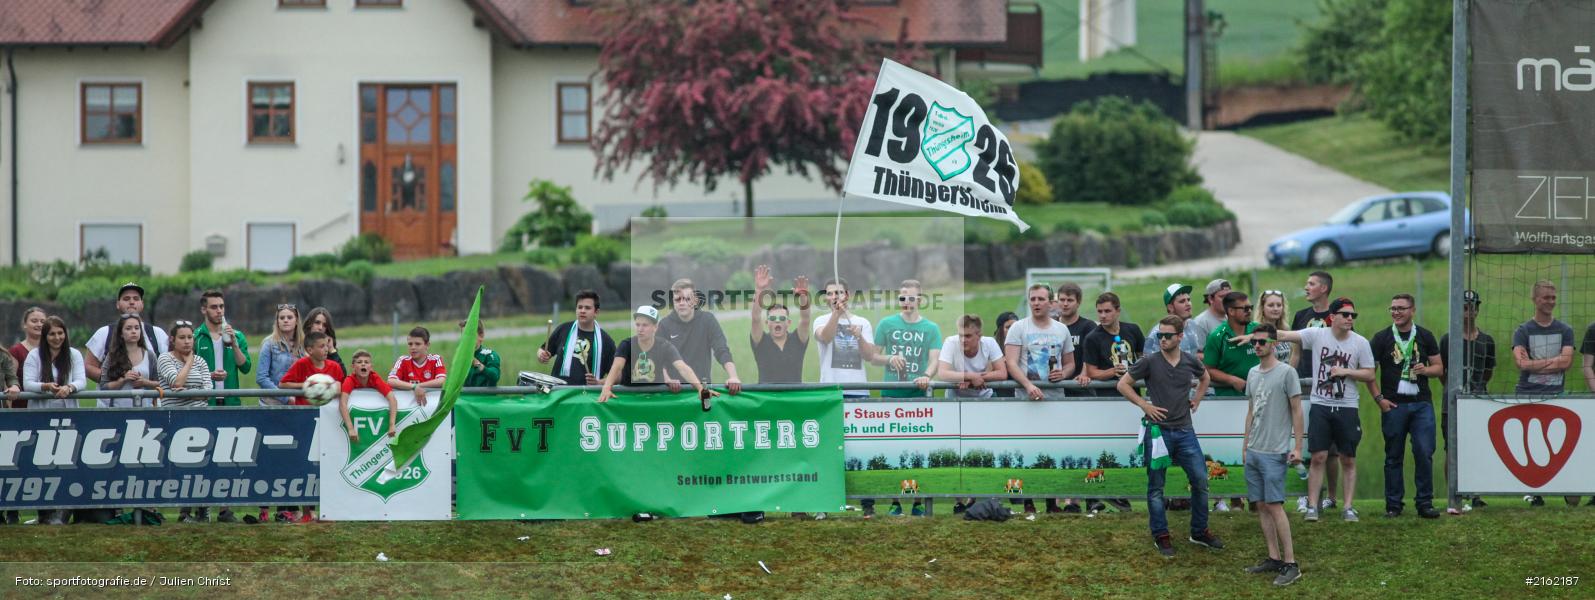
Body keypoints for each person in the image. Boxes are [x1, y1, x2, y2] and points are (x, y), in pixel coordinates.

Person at [1116, 315, 1222, 558]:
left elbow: (1205, 377)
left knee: (1200, 481)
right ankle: (1161, 535)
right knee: (1156, 487)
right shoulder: (1149, 362)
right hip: (1158, 433)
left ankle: (1199, 531)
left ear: (1180, 337)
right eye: (1159, 336)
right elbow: (1123, 384)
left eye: (1167, 335)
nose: (1162, 339)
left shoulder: (1189, 361)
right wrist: (1145, 405)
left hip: (1185, 430)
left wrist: (1197, 399)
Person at [1270, 297, 1375, 522]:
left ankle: (1347, 506)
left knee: (1347, 457)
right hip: (1321, 404)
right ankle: (1312, 506)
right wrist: (1256, 333)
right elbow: (1285, 335)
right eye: (1345, 315)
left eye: (1352, 316)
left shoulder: (1360, 343)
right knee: (1318, 456)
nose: (1349, 319)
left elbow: (1369, 374)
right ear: (1332, 317)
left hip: (1347, 405)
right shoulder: (1318, 335)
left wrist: (1346, 372)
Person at [1239, 323, 1305, 586]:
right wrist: (1245, 446)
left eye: (1262, 342)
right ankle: (1273, 557)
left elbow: (1297, 411)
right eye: (1254, 342)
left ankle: (1291, 564)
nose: (1256, 346)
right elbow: (1251, 411)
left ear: (1274, 344)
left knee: (1275, 506)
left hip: (1275, 450)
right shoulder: (1252, 373)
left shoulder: (1287, 373)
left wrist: (1297, 447)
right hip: (1254, 450)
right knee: (1261, 506)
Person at [1366, 294, 1442, 519]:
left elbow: (1439, 368)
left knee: (1424, 451)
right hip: (1394, 404)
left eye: (1401, 308)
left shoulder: (1425, 336)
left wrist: (1425, 370)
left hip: (1421, 405)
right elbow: (1370, 373)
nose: (1396, 312)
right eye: (1392, 309)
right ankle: (1393, 505)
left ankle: (1425, 502)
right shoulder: (1381, 338)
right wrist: (1379, 399)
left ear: (1412, 310)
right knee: (1393, 455)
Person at [1513, 280, 1577, 507]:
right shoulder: (1523, 330)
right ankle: (1533, 492)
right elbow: (1521, 363)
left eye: (1553, 297)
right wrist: (1554, 362)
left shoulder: (1565, 330)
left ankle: (1563, 488)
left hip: (1555, 395)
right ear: (1535, 299)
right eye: (1546, 297)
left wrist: (1536, 362)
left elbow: (1567, 362)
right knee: (1531, 443)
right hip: (1527, 394)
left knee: (1556, 442)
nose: (1551, 301)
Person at [21, 316, 83, 526]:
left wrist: (70, 388)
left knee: (66, 464)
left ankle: (62, 514)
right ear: (45, 336)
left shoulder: (73, 354)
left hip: (68, 417)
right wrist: (46, 387)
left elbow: (81, 380)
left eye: (60, 333)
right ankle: (44, 514)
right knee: (42, 465)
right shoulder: (34, 356)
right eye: (52, 334)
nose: (57, 338)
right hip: (41, 417)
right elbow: (27, 384)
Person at [277, 330, 344, 524]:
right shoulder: (301, 365)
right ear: (309, 349)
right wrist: (308, 385)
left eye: (327, 345)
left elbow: (341, 386)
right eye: (322, 346)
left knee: (328, 466)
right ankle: (308, 512)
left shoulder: (333, 366)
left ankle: (329, 510)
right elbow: (283, 384)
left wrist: (330, 388)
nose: (326, 350)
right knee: (307, 466)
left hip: (328, 422)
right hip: (304, 421)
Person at [1440, 290, 1495, 513]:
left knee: (1478, 448)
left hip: (1478, 399)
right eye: (1464, 306)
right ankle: (1453, 493)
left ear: (1477, 309)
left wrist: (1477, 388)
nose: (1468, 311)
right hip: (1452, 402)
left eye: (1472, 306)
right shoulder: (1448, 339)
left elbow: (1488, 371)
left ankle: (1476, 493)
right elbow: (1443, 372)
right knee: (1451, 449)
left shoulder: (1486, 340)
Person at [156, 320, 217, 523]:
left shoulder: (201, 361)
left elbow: (209, 392)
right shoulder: (165, 358)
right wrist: (189, 362)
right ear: (172, 340)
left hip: (201, 418)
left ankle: (203, 510)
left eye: (190, 337)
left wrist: (190, 394)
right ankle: (184, 513)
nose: (187, 341)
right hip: (176, 419)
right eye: (182, 338)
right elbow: (176, 382)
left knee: (203, 466)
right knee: (183, 466)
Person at [597, 306, 716, 403]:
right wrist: (606, 388)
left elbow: (683, 368)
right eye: (638, 324)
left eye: (645, 325)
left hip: (656, 400)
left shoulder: (664, 346)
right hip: (629, 398)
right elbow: (617, 367)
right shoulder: (626, 344)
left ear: (655, 327)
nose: (640, 329)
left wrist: (701, 389)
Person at [1292, 271, 1339, 511]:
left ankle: (1331, 496)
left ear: (1324, 288)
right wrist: (1289, 377)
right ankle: (1305, 495)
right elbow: (1296, 351)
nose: (1306, 287)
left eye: (1311, 284)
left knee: (1331, 449)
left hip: (1329, 386)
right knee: (1307, 441)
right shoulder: (1301, 316)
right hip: (1304, 386)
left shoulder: (1338, 316)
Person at [658, 278, 742, 394]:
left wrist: (733, 376)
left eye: (687, 299)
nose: (682, 303)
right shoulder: (664, 325)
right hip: (674, 392)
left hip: (703, 390)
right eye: (678, 299)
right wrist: (667, 379)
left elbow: (721, 350)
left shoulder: (708, 320)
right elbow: (659, 358)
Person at [83, 282, 169, 383]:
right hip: (112, 398)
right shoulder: (104, 333)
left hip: (149, 398)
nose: (131, 302)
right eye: (126, 299)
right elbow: (88, 366)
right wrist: (116, 381)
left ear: (142, 304)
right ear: (118, 304)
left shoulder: (157, 333)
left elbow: (168, 366)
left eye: (136, 299)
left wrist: (149, 383)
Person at [1005, 284, 1076, 402]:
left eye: (1041, 299)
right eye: (1033, 299)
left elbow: (1070, 364)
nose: (1036, 303)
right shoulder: (1018, 327)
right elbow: (1011, 363)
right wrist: (1028, 385)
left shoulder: (1062, 329)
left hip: (1056, 397)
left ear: (1051, 303)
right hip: (1025, 398)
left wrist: (1063, 374)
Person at [814, 277, 880, 399]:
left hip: (858, 391)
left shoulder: (863, 322)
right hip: (830, 391)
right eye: (829, 293)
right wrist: (836, 314)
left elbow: (869, 356)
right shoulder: (820, 321)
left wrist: (859, 337)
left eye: (838, 292)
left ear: (847, 295)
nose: (834, 296)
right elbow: (826, 338)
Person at [875, 279, 942, 398]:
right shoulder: (885, 323)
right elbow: (873, 357)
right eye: (902, 298)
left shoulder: (932, 328)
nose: (906, 302)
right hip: (890, 394)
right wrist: (890, 358)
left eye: (911, 298)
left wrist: (926, 376)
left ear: (919, 301)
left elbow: (935, 361)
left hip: (919, 394)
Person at [538, 290, 616, 386]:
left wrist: (599, 382)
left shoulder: (606, 341)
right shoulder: (563, 329)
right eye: (580, 307)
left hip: (589, 396)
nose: (582, 311)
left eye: (587, 308)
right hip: (558, 393)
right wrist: (542, 355)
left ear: (596, 312)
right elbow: (542, 350)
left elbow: (618, 375)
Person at [749, 265, 811, 384]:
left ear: (788, 323)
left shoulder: (798, 340)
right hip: (767, 399)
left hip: (793, 398)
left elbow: (805, 319)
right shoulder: (760, 340)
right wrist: (759, 291)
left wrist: (803, 299)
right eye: (773, 318)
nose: (777, 321)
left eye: (782, 318)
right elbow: (756, 318)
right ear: (767, 323)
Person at [192, 290, 252, 407]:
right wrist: (209, 375)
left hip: (231, 403)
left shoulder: (238, 336)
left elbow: (246, 368)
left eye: (221, 306)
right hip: (204, 403)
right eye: (214, 307)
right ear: (204, 310)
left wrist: (234, 345)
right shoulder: (195, 337)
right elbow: (188, 373)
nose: (219, 311)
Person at [1080, 292, 1145, 397]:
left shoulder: (1133, 329)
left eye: (1107, 311)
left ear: (1118, 311)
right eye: (1099, 311)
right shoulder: (1092, 338)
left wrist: (1137, 369)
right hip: (1108, 396)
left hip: (1133, 394)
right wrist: (1113, 371)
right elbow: (1091, 372)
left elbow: (1142, 357)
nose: (1103, 315)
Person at [98, 314, 162, 407]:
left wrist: (145, 382)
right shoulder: (112, 356)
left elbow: (161, 383)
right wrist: (123, 380)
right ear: (121, 333)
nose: (133, 331)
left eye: (137, 328)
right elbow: (103, 387)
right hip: (119, 410)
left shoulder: (150, 355)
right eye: (128, 328)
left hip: (146, 410)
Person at [938, 314, 1007, 399]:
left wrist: (972, 378)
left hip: (985, 396)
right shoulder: (950, 342)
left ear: (979, 335)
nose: (963, 340)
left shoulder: (989, 342)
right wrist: (970, 377)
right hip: (955, 399)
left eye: (968, 336)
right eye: (960, 335)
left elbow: (1002, 373)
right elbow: (942, 373)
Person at [1205, 292, 1261, 398]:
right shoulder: (1217, 336)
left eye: (1250, 307)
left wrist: (1255, 336)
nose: (1249, 311)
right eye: (1245, 308)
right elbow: (1208, 370)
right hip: (1229, 399)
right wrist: (1231, 380)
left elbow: (1275, 339)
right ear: (1231, 311)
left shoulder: (1258, 329)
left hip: (1260, 396)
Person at [340, 350, 399, 442]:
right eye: (359, 362)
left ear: (371, 367)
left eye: (366, 362)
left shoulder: (375, 378)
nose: (363, 364)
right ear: (353, 367)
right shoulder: (349, 380)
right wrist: (351, 429)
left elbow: (392, 399)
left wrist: (392, 425)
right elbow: (342, 404)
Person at [257, 304, 305, 405]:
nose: (285, 320)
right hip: (272, 405)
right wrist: (286, 399)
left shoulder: (304, 344)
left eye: (290, 317)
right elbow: (261, 378)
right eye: (282, 318)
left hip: (299, 404)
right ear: (277, 322)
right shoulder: (268, 343)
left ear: (296, 321)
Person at [1055, 283, 1097, 393]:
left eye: (1070, 300)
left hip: (1081, 386)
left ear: (1078, 303)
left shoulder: (1088, 326)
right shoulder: (1050, 325)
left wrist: (1084, 373)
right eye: (1062, 299)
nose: (1065, 304)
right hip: (1055, 387)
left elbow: (1091, 355)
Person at [388, 326, 446, 407]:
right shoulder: (402, 360)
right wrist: (414, 387)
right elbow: (391, 380)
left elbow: (442, 381)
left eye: (417, 344)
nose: (413, 347)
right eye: (410, 344)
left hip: (430, 408)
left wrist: (418, 387)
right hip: (406, 407)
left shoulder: (436, 359)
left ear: (427, 345)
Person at [1144, 284, 1202, 357]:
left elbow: (1196, 355)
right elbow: (1149, 363)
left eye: (1189, 300)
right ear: (1170, 307)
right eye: (1182, 301)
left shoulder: (1192, 324)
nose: (1188, 304)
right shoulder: (1158, 333)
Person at [1187, 279, 1231, 362]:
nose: (1228, 300)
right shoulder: (1200, 322)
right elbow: (1194, 354)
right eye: (1222, 297)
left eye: (1229, 296)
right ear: (1210, 299)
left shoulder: (1231, 317)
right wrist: (1221, 359)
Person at [8, 307, 44, 408]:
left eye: (42, 321)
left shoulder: (53, 351)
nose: (39, 324)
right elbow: (9, 381)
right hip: (22, 409)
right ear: (24, 324)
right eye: (34, 321)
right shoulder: (16, 351)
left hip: (47, 407)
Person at [1259, 290, 1298, 370]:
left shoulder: (1285, 330)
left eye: (1279, 305)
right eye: (1271, 305)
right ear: (1262, 308)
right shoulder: (1257, 331)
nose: (1276, 309)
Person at [303, 307, 346, 373]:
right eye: (317, 323)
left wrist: (331, 349)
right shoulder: (298, 345)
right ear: (310, 324)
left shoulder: (327, 350)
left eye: (324, 325)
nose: (320, 328)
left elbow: (342, 375)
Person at [460, 320, 502, 388]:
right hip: (465, 398)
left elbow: (495, 376)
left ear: (481, 336)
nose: (466, 339)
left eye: (470, 335)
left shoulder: (490, 355)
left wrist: (477, 364)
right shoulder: (460, 357)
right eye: (464, 335)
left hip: (485, 397)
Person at [991, 312, 1020, 398]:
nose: (1012, 330)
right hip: (998, 396)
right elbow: (984, 372)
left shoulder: (1024, 346)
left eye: (1015, 327)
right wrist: (1001, 361)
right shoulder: (992, 346)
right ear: (1000, 330)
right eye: (1008, 327)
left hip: (1020, 394)